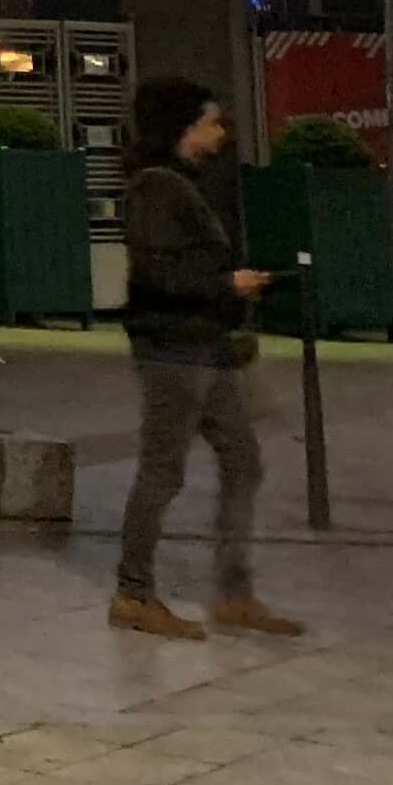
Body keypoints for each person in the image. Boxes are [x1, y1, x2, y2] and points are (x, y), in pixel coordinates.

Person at [111, 78, 303, 639]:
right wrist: (226, 283)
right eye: (212, 122)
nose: (222, 133)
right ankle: (133, 592)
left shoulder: (185, 185)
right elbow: (157, 273)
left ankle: (233, 592)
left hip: (207, 347)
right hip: (173, 349)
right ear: (183, 128)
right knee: (163, 469)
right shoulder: (155, 188)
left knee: (243, 460)